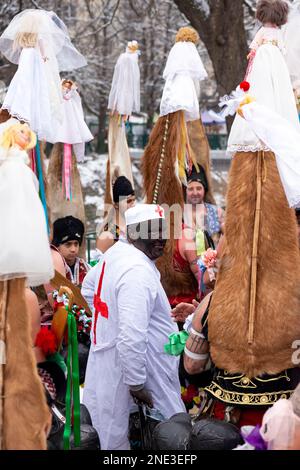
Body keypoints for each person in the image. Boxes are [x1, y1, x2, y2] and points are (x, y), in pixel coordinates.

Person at [83, 204, 185, 450]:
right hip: (143, 373)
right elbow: (131, 336)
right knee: (171, 436)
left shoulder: (117, 253)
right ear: (133, 233)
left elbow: (88, 289)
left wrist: (110, 323)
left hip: (118, 364)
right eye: (152, 232)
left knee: (112, 433)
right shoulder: (136, 270)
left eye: (163, 231)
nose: (161, 239)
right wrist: (138, 384)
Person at [185, 166, 224, 247]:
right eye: (190, 189)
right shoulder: (180, 214)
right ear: (185, 191)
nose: (195, 193)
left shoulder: (217, 213)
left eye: (199, 188)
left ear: (204, 190)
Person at [96, 176, 136, 253]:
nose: (133, 205)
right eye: (128, 201)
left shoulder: (133, 228)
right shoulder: (109, 234)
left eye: (133, 200)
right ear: (116, 205)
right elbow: (99, 263)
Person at [52, 215, 90, 288]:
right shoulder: (52, 269)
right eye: (68, 244)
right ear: (57, 246)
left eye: (76, 244)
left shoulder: (85, 267)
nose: (73, 249)